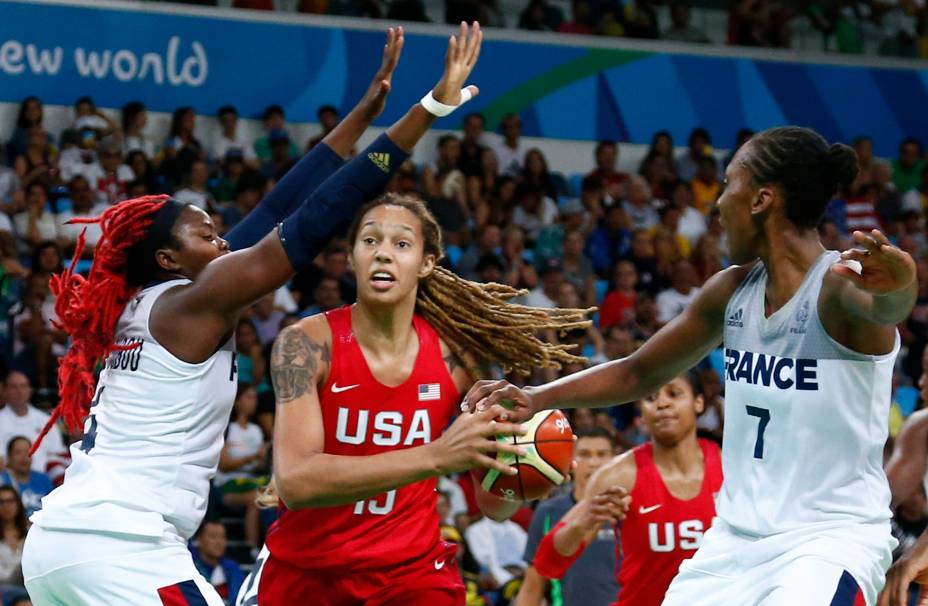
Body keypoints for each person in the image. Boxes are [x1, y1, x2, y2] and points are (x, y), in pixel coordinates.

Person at [21, 26, 484, 605]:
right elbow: (310, 220)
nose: (221, 239)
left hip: (58, 546)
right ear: (168, 258)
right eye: (206, 232)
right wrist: (428, 110)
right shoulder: (197, 299)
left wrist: (361, 116)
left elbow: (274, 205)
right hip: (122, 547)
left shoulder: (155, 303)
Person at [465, 126, 917, 605]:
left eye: (729, 185)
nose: (719, 205)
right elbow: (640, 371)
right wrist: (536, 396)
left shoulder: (839, 287)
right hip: (732, 545)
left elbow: (885, 308)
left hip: (824, 544)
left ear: (761, 199)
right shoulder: (731, 291)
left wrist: (900, 288)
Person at [238, 194, 593, 603]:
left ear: (426, 263)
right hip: (308, 571)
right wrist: (438, 455)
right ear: (352, 258)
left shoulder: (458, 360)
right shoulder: (305, 344)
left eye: (401, 244)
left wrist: (528, 473)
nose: (383, 253)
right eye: (369, 241)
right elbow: (297, 482)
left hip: (412, 574)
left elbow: (494, 507)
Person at [531, 371, 722, 606]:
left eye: (674, 394)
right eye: (651, 398)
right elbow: (548, 562)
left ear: (699, 402)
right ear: (641, 412)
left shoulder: (731, 467)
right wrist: (586, 518)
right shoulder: (619, 475)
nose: (662, 403)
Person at [516, 428, 619, 606]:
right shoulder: (547, 512)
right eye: (584, 454)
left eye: (602, 454)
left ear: (615, 460)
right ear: (571, 460)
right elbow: (532, 586)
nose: (594, 463)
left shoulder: (629, 509)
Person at [0, 372, 64, 474]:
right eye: (14, 387)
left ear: (30, 390)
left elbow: (59, 455)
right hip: (9, 483)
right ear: (4, 390)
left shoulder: (46, 421)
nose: (19, 391)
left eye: (23, 386)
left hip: (45, 482)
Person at [190, 520, 245, 605]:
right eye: (213, 536)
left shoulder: (233, 568)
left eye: (222, 536)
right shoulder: (191, 568)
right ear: (199, 540)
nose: (219, 542)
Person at [0, 437, 52, 519]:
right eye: (18, 452)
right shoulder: (2, 480)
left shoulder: (43, 479)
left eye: (28, 452)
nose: (24, 457)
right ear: (9, 456)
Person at [0, 485, 28, 587]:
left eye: (10, 501)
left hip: (28, 585)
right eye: (1, 502)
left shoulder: (30, 533)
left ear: (18, 504)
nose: (6, 506)